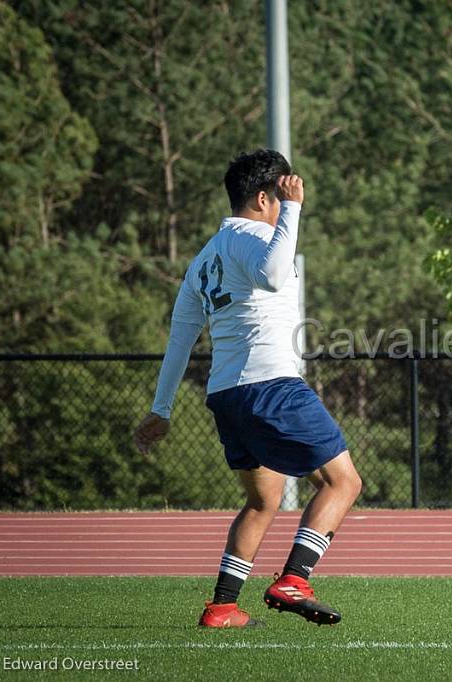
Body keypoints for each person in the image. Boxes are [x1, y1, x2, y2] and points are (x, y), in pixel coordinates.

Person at [134, 149, 362, 628]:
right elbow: (274, 276)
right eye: (281, 195)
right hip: (271, 385)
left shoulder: (204, 257)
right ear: (264, 197)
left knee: (263, 501)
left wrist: (162, 407)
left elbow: (181, 335)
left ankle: (221, 607)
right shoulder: (255, 235)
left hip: (228, 395)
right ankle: (294, 579)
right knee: (344, 482)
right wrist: (295, 210)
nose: (286, 202)